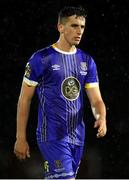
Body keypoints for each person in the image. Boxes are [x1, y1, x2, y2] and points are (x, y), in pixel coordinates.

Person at [14, 5, 107, 179]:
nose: (79, 31)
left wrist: (101, 117)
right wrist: (20, 137)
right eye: (74, 26)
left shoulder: (87, 61)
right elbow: (24, 100)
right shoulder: (41, 59)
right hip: (51, 136)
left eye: (82, 27)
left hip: (78, 137)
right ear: (60, 27)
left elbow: (96, 100)